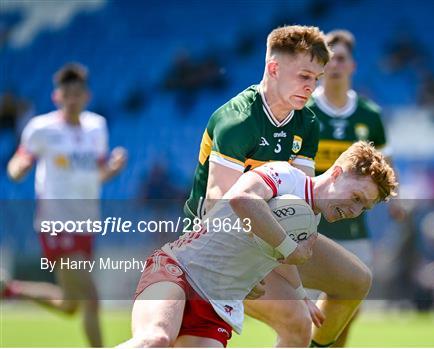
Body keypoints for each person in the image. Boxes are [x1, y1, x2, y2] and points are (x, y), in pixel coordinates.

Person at [182, 24, 379, 347]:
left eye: (315, 78)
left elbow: (301, 202)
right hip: (213, 242)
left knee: (356, 280)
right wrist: (263, 267)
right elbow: (218, 204)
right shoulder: (238, 120)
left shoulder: (306, 122)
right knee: (297, 322)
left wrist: (294, 276)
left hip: (271, 233)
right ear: (273, 68)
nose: (311, 86)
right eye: (304, 76)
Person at [120, 141, 397, 347]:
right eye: (357, 197)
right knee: (155, 340)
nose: (355, 210)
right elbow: (242, 198)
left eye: (364, 208)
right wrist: (290, 248)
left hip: (217, 307)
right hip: (178, 270)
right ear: (337, 173)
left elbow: (284, 260)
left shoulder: (309, 222)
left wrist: (299, 292)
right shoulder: (285, 176)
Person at [4, 62, 127, 347]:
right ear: (56, 97)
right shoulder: (41, 128)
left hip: (86, 222)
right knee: (92, 298)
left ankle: (11, 290)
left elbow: (97, 176)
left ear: (87, 96)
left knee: (70, 305)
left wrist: (114, 170)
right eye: (66, 93)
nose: (72, 98)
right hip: (56, 221)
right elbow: (18, 161)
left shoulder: (97, 127)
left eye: (77, 93)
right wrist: (18, 168)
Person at [305, 29, 390, 347]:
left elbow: (384, 170)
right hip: (312, 225)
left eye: (341, 58)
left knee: (347, 311)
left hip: (354, 229)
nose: (335, 65)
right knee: (302, 312)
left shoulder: (370, 116)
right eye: (329, 58)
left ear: (352, 65)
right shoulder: (305, 111)